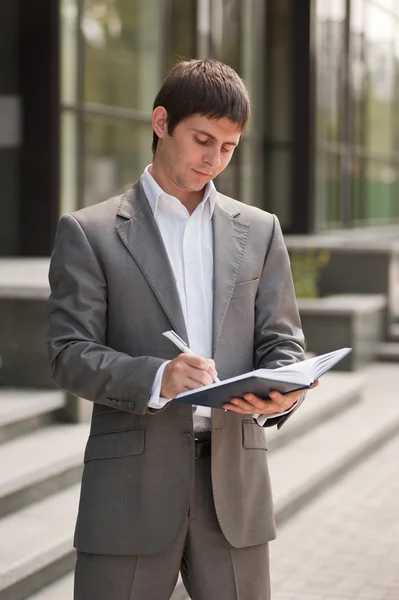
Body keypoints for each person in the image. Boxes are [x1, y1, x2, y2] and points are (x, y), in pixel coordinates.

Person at [47, 58, 310, 600]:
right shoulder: (89, 232)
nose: (213, 160)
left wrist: (282, 393)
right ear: (161, 122)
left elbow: (283, 343)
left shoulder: (260, 231)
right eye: (202, 139)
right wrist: (157, 377)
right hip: (129, 493)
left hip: (234, 492)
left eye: (229, 148)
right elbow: (68, 353)